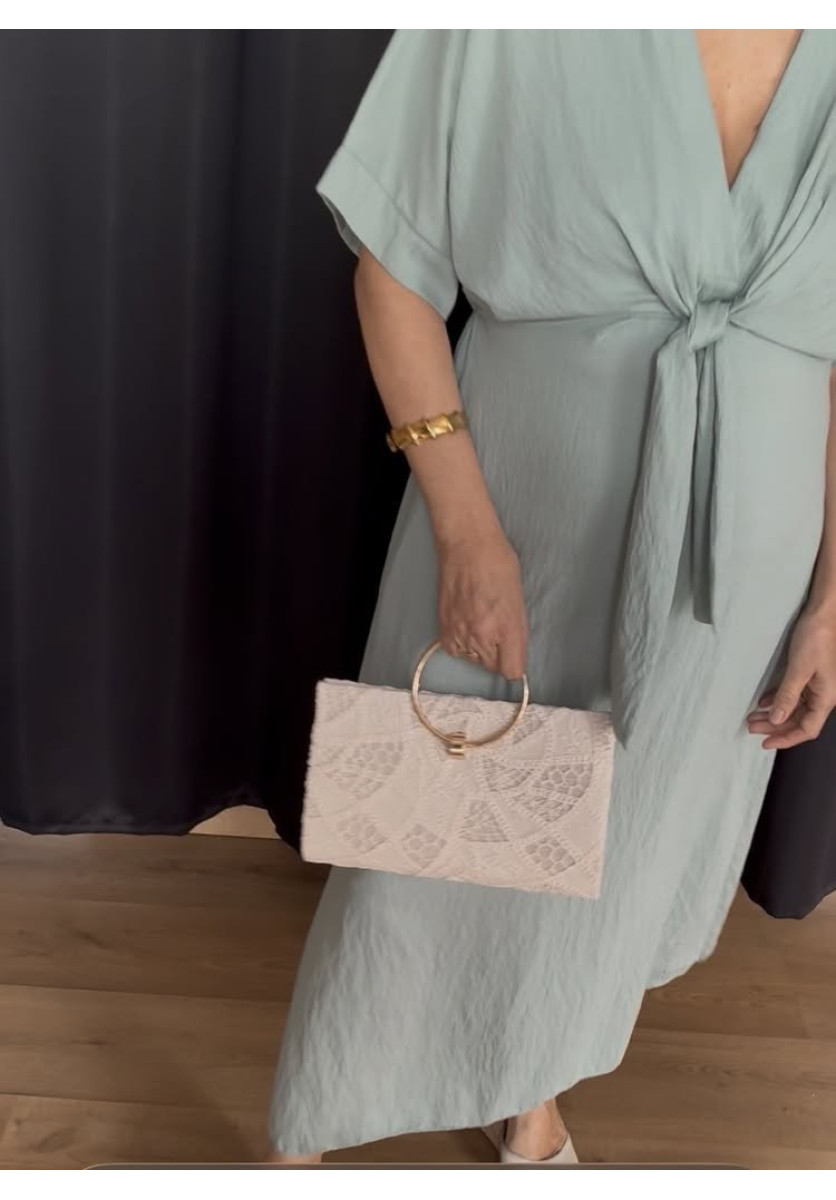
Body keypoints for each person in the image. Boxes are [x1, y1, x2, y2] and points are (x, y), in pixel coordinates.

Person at [267, 29, 836, 1163]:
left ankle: (526, 1090)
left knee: (622, 851)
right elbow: (392, 269)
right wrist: (466, 534)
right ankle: (306, 1132)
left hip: (742, 580)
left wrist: (830, 595)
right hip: (520, 526)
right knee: (442, 836)